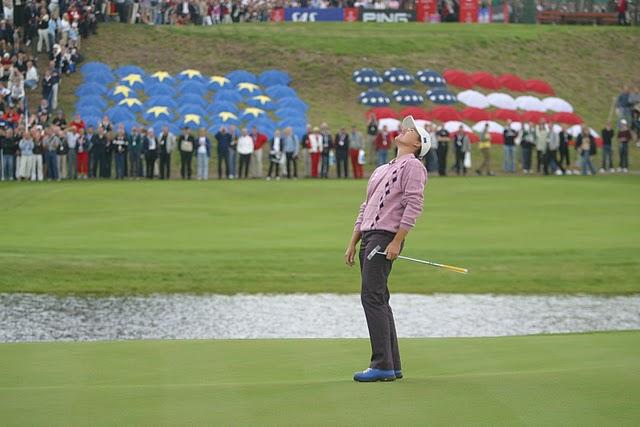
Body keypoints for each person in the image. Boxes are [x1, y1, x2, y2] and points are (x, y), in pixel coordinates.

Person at [344, 115, 430, 383]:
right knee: (378, 297)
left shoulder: (414, 167)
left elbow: (413, 204)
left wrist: (396, 241)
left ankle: (381, 364)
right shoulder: (382, 168)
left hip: (385, 237)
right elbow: (365, 206)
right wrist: (353, 240)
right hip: (369, 237)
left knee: (371, 296)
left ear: (417, 143)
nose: (404, 130)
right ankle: (392, 365)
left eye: (411, 130)